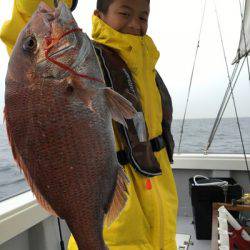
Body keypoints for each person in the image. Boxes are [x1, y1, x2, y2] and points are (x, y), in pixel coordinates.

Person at [0, 0, 178, 249]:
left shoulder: (148, 72)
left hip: (162, 226)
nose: (135, 23)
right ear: (99, 15)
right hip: (117, 235)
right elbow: (27, 23)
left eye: (143, 16)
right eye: (125, 13)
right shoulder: (90, 58)